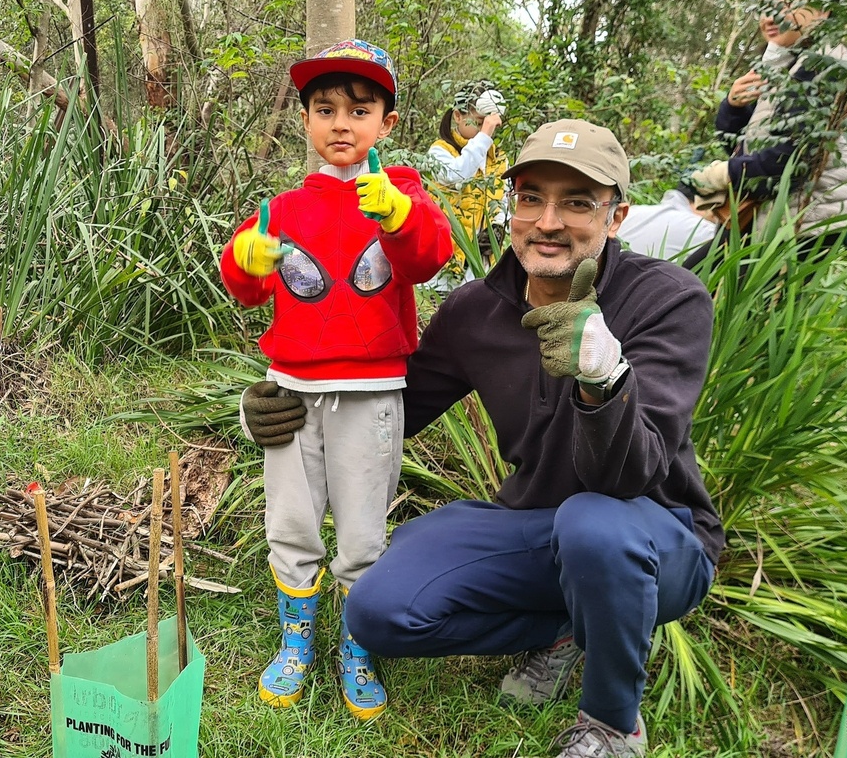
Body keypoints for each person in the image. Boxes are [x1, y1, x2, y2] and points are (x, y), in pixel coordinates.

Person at [243, 120, 721, 756]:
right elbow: (389, 412)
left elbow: (628, 477)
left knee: (594, 526)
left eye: (578, 202)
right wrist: (289, 411)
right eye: (531, 198)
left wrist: (604, 380)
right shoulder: (474, 311)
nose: (548, 221)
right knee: (378, 611)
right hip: (532, 523)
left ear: (616, 216)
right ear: (512, 206)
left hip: (656, 534)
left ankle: (611, 725)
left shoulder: (667, 301)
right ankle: (566, 627)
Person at [222, 38, 452, 720]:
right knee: (291, 520)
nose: (342, 123)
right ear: (306, 122)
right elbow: (243, 287)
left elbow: (429, 257)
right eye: (325, 109)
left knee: (361, 531)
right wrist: (248, 257)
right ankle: (296, 640)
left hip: (372, 393)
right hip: (290, 391)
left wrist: (399, 213)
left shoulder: (400, 191)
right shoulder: (284, 208)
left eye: (361, 108)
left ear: (389, 122)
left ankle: (358, 641)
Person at [684, 0, 847, 268]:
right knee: (691, 285)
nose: (770, 16)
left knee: (695, 286)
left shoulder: (825, 65)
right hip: (771, 214)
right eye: (766, 6)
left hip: (809, 222)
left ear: (823, 10)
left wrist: (725, 173)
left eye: (787, 4)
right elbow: (742, 146)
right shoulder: (783, 66)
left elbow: (791, 159)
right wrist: (734, 107)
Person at [427, 81, 509, 277]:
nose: (486, 131)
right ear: (457, 116)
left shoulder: (497, 158)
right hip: (443, 264)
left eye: (489, 125)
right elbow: (458, 175)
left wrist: (497, 227)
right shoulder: (439, 152)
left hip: (479, 265)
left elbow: (504, 199)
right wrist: (484, 135)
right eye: (479, 123)